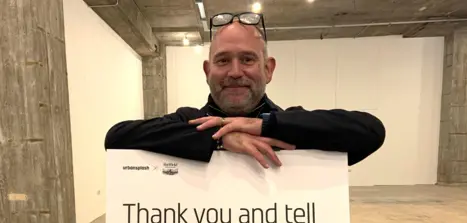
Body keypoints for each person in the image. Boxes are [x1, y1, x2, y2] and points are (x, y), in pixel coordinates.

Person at [104, 14, 386, 169]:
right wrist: (219, 139)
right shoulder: (186, 123)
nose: (235, 72)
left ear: (268, 69)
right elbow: (116, 138)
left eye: (248, 59)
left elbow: (371, 132)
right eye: (223, 60)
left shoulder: (293, 127)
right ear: (207, 71)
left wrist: (262, 126)